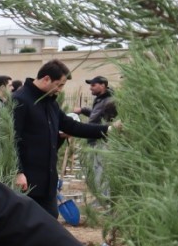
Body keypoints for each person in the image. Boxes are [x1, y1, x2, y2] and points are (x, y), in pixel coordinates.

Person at [11, 59, 109, 218]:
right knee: (25, 228)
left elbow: (72, 126)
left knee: (49, 226)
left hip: (47, 182)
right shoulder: (20, 100)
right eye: (59, 85)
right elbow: (11, 139)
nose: (60, 90)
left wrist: (108, 130)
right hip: (26, 182)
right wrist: (18, 172)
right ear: (46, 79)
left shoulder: (50, 103)